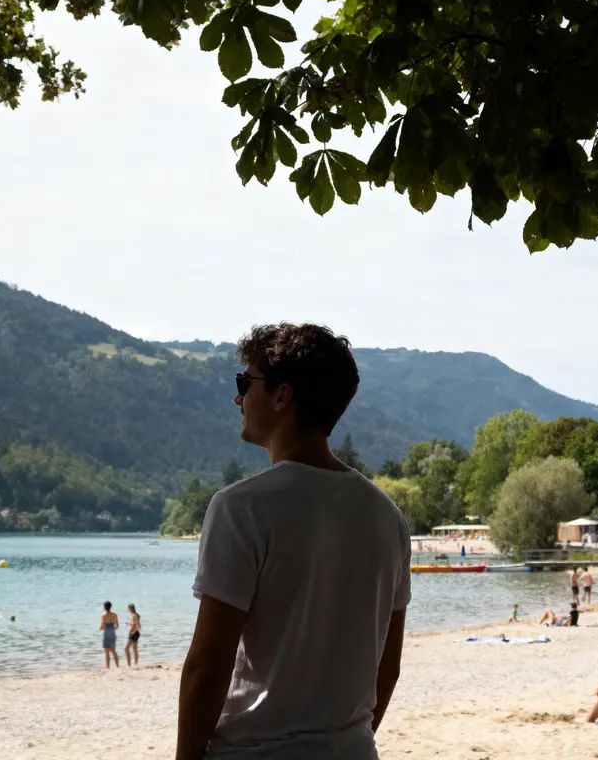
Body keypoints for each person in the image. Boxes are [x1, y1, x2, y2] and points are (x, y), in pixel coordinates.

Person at [176, 324, 411, 760]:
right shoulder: (388, 517)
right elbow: (387, 667)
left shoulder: (241, 507)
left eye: (245, 383)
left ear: (282, 396)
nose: (237, 398)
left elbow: (208, 667)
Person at [100, 601, 120, 669]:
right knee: (113, 651)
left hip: (106, 635)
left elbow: (102, 627)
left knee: (107, 652)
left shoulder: (103, 616)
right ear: (110, 607)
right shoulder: (115, 615)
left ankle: (107, 668)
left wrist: (100, 628)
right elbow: (117, 626)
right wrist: (112, 628)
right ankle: (117, 666)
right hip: (113, 634)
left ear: (104, 607)